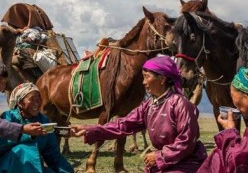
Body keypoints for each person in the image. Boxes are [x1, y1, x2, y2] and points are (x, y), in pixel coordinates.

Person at [72, 55, 207, 172]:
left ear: (162, 79)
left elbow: (187, 141)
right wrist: (90, 129)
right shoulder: (149, 106)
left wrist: (160, 156)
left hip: (185, 164)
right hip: (164, 164)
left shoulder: (181, 104)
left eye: (146, 77)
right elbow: (122, 125)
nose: (143, 82)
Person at [0, 82, 73, 173]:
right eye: (32, 99)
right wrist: (28, 135)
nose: (37, 103)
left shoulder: (44, 121)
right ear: (20, 104)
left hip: (32, 167)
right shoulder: (8, 117)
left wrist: (67, 171)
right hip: (8, 166)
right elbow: (0, 143)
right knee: (23, 150)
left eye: (39, 98)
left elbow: (52, 153)